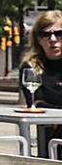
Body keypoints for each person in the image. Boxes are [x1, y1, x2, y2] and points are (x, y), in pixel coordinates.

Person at [20, 10, 62, 156]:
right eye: (45, 34)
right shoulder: (31, 67)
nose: (53, 39)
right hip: (51, 143)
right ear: (37, 39)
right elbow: (36, 105)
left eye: (59, 34)